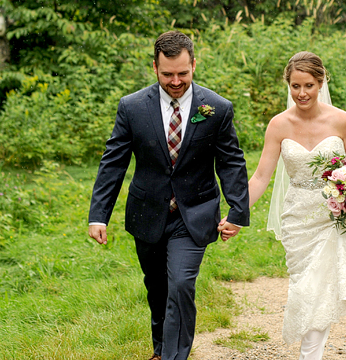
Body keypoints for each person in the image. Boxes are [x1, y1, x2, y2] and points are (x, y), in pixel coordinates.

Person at [220, 51, 346, 360]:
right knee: (305, 288)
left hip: (334, 215)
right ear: (288, 86)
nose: (301, 93)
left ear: (321, 83)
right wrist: (236, 215)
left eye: (308, 85)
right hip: (298, 219)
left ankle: (309, 356)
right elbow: (259, 177)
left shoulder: (342, 121)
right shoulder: (278, 125)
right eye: (295, 86)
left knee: (320, 289)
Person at [88, 31, 250, 360]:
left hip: (195, 213)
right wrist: (98, 215)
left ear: (194, 64)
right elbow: (113, 162)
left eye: (183, 73)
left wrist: (237, 212)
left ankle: (173, 357)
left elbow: (231, 161)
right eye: (167, 74)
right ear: (154, 67)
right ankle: (161, 349)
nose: (175, 81)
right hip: (147, 212)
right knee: (158, 287)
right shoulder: (132, 107)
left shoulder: (216, 108)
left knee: (181, 285)